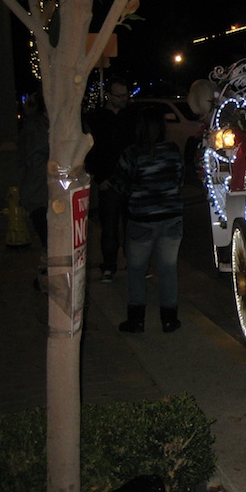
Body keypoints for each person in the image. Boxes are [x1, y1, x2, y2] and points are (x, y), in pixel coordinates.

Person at [110, 106, 185, 333]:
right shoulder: (172, 151)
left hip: (141, 220)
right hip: (171, 218)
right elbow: (180, 180)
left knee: (135, 269)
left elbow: (119, 185)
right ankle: (169, 319)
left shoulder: (131, 154)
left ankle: (136, 320)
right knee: (168, 269)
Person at [85, 77, 135, 282]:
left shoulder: (130, 116)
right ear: (110, 96)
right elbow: (91, 150)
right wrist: (99, 177)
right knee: (110, 225)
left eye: (125, 95)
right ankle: (109, 265)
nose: (123, 100)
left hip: (129, 179)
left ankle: (133, 263)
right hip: (108, 179)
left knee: (131, 225)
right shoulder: (97, 118)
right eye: (119, 96)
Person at [16, 91, 50, 291]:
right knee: (51, 242)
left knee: (52, 244)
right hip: (39, 195)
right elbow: (35, 164)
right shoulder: (34, 129)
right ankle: (46, 281)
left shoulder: (58, 125)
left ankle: (44, 278)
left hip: (52, 194)